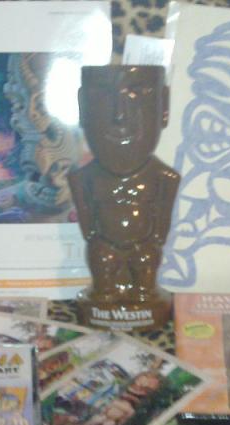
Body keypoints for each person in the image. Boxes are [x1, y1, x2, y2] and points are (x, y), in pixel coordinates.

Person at [69, 65, 180, 303]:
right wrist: (92, 236)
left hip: (144, 246)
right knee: (102, 281)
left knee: (146, 281)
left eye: (138, 94)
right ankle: (105, 290)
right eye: (102, 96)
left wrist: (157, 238)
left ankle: (143, 291)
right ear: (83, 108)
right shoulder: (84, 177)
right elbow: (85, 211)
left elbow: (164, 210)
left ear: (164, 107)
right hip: (104, 245)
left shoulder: (162, 176)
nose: (119, 115)